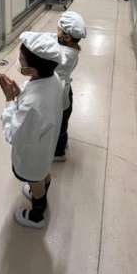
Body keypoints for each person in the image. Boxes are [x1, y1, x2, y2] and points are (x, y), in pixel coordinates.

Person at [0, 32, 63, 229]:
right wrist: (20, 95)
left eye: (21, 60)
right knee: (43, 171)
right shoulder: (53, 78)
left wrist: (10, 101)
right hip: (45, 143)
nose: (18, 61)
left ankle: (37, 215)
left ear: (32, 69)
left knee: (35, 178)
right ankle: (42, 186)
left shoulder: (32, 105)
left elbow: (13, 135)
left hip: (32, 154)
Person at [53, 11, 86, 161]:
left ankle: (59, 153)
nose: (56, 32)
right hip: (66, 90)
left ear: (66, 37)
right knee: (63, 122)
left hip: (60, 93)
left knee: (59, 124)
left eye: (58, 30)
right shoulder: (72, 47)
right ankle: (62, 141)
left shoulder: (64, 55)